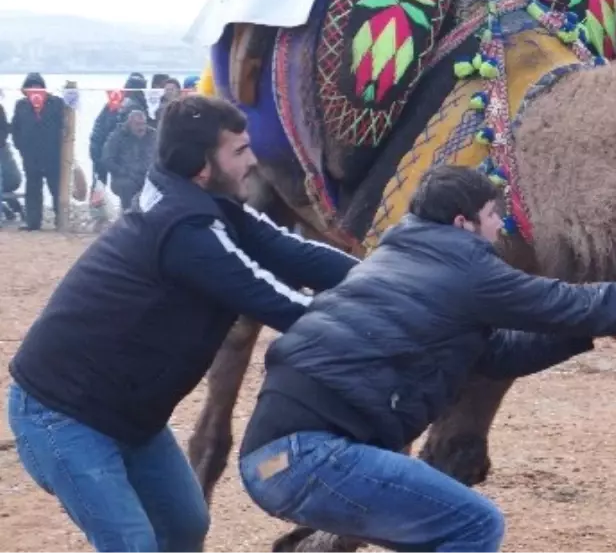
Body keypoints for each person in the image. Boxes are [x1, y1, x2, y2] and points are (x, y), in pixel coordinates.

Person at [238, 163, 616, 551]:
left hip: (278, 457)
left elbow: (495, 355)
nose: (501, 227)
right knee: (474, 523)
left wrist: (589, 335)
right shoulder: (465, 267)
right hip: (314, 455)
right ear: (463, 223)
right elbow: (569, 303)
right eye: (494, 215)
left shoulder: (398, 257)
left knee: (434, 532)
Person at [7, 94, 361, 553]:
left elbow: (296, 254)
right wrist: (385, 315)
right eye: (238, 151)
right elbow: (282, 304)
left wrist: (384, 274)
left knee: (185, 524)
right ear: (201, 165)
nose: (253, 161)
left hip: (130, 416)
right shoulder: (184, 231)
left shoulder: (206, 206)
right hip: (63, 416)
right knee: (133, 544)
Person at [11, 72, 65, 231]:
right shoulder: (21, 105)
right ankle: (33, 223)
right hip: (30, 155)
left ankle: (60, 221)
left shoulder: (56, 103)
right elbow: (15, 128)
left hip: (52, 154)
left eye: (38, 86)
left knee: (56, 189)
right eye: (31, 87)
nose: (35, 89)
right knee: (33, 190)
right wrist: (21, 147)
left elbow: (66, 122)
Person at [90, 72, 148, 187]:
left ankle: (97, 201)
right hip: (110, 147)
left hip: (99, 144)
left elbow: (100, 125)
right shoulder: (135, 105)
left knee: (100, 181)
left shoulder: (114, 102)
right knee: (123, 181)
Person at [101, 108, 156, 211]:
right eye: (138, 124)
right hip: (125, 177)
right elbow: (107, 159)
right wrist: (124, 171)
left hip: (148, 176)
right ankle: (127, 216)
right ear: (129, 124)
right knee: (127, 187)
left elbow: (162, 156)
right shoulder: (117, 136)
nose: (142, 128)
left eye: (143, 124)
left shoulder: (153, 135)